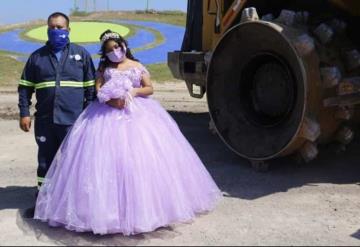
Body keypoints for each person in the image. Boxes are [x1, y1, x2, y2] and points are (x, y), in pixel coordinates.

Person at [33, 30, 221, 236]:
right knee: (103, 163)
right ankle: (105, 214)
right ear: (105, 53)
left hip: (139, 114)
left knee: (140, 161)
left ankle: (147, 211)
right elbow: (99, 90)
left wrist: (133, 92)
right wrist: (112, 100)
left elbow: (149, 88)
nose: (115, 51)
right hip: (105, 115)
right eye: (110, 49)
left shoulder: (137, 65)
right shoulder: (104, 68)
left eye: (117, 46)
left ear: (124, 45)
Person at [18, 12, 96, 217]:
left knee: (75, 162)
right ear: (47, 29)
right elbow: (25, 87)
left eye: (60, 27)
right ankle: (43, 204)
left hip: (74, 121)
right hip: (45, 120)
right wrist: (24, 113)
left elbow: (91, 90)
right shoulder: (37, 57)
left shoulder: (82, 55)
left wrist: (89, 117)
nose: (56, 31)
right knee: (46, 162)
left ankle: (76, 206)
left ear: (68, 30)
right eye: (52, 27)